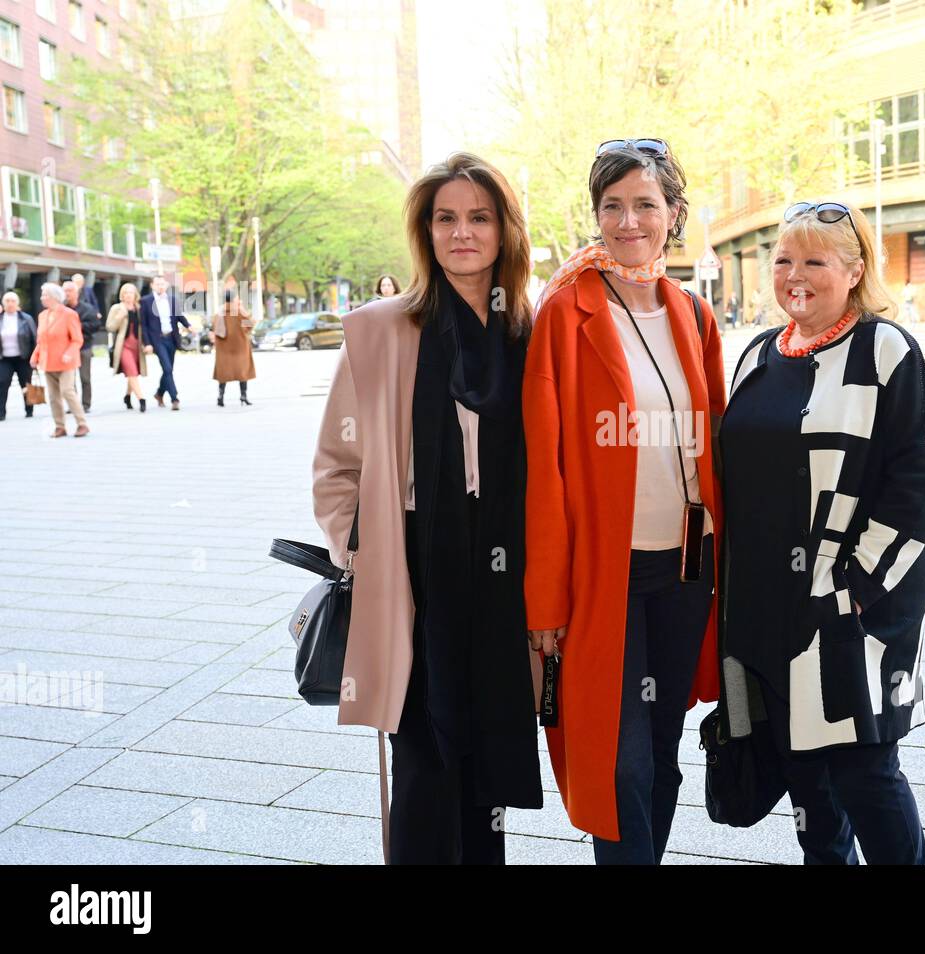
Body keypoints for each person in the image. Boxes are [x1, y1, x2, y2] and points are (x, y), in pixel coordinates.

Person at [312, 153, 542, 864]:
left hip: (506, 563)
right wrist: (364, 552)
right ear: (425, 231)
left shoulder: (529, 333)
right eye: (446, 218)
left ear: (505, 231)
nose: (462, 232)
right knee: (422, 749)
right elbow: (336, 466)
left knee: (491, 747)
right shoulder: (381, 330)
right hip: (416, 561)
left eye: (479, 217)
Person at [719, 200, 925, 864]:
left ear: (854, 270)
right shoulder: (759, 354)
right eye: (783, 259)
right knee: (809, 794)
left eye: (815, 260)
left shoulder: (885, 350)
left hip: (851, 614)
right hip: (767, 618)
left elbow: (919, 478)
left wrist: (854, 588)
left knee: (865, 775)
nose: (795, 274)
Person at [525, 138, 725, 864]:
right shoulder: (566, 312)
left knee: (664, 755)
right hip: (603, 576)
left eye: (645, 203)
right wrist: (543, 602)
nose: (628, 220)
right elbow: (542, 469)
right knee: (621, 765)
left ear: (673, 213)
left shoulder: (694, 316)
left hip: (684, 570)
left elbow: (716, 453)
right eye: (612, 205)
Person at [30, 283, 88, 437]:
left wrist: (69, 353)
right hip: (48, 361)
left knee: (67, 391)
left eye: (45, 295)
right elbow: (41, 340)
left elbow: (77, 339)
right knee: (53, 396)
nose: (42, 298)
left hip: (66, 361)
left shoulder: (69, 314)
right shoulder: (43, 316)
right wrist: (35, 355)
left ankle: (82, 424)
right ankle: (60, 427)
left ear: (55, 297)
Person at [140, 276, 190, 411]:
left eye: (162, 284)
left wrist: (188, 326)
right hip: (157, 340)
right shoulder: (145, 301)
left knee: (168, 370)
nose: (160, 286)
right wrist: (147, 343)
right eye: (157, 284)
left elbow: (179, 316)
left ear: (166, 285)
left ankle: (159, 393)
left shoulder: (172, 300)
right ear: (152, 285)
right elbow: (143, 325)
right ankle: (175, 399)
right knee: (167, 368)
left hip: (171, 339)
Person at [105, 283, 149, 413]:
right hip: (123, 345)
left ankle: (127, 396)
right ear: (122, 295)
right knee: (132, 372)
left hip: (137, 345)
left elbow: (145, 327)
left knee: (133, 373)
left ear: (135, 294)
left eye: (131, 292)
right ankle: (142, 399)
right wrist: (120, 316)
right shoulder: (117, 308)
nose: (128, 295)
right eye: (126, 293)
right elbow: (110, 327)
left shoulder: (139, 308)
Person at [212, 289, 256, 406]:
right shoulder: (238, 312)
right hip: (240, 346)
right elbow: (249, 324)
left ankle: (220, 396)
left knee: (223, 373)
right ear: (233, 299)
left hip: (223, 348)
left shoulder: (219, 313)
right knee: (242, 371)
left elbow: (214, 328)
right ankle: (243, 395)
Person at [0, 291, 37, 421]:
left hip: (23, 357)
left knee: (26, 384)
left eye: (13, 301)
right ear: (3, 303)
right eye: (7, 301)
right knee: (2, 383)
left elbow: (34, 338)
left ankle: (29, 410)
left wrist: (35, 357)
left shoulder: (26, 319)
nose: (10, 304)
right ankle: (1, 413)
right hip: (4, 358)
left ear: (17, 303)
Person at [63, 280, 99, 413]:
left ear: (76, 293)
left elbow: (95, 325)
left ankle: (85, 404)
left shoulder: (87, 308)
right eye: (65, 291)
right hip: (67, 349)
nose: (67, 294)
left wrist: (76, 327)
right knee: (69, 380)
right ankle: (73, 404)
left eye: (70, 291)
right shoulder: (61, 309)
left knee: (85, 377)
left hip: (84, 346)